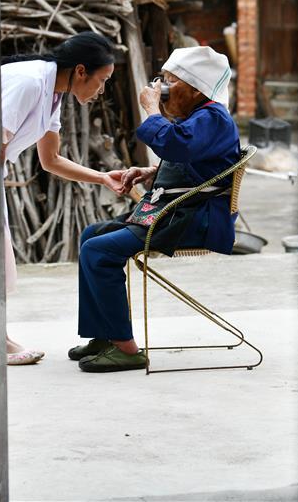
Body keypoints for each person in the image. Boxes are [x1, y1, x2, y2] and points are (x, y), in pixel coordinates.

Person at [67, 46, 240, 372]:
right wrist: (148, 173)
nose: (162, 88)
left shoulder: (213, 117)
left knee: (99, 252)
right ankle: (104, 335)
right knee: (91, 235)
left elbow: (175, 143)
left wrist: (151, 109)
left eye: (170, 81)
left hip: (195, 218)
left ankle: (127, 350)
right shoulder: (199, 116)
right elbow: (194, 161)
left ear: (194, 88)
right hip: (176, 210)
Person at [0, 32, 127, 365]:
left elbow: (51, 159)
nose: (101, 91)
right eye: (102, 80)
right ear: (81, 70)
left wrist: (101, 178)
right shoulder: (29, 82)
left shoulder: (53, 94)